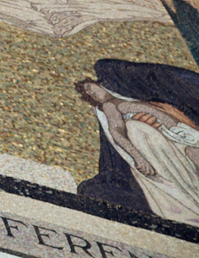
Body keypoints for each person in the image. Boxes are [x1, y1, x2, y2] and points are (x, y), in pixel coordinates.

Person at [76, 70, 199, 224]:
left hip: (178, 135)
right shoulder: (110, 106)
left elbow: (159, 113)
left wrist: (178, 128)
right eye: (88, 93)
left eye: (91, 87)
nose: (92, 92)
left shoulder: (125, 97)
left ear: (100, 85)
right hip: (162, 144)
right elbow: (117, 132)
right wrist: (138, 157)